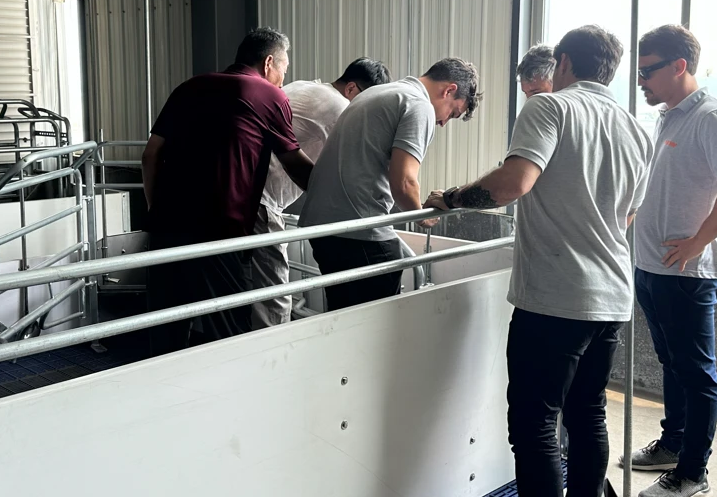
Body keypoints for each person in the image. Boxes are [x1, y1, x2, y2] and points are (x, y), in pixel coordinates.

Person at [424, 26, 652, 497]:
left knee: (535, 429)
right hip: (611, 297)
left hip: (555, 299)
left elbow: (513, 184)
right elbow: (627, 214)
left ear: (565, 63)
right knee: (588, 420)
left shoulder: (551, 108)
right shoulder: (635, 128)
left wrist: (451, 198)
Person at [622, 24, 717, 497]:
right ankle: (673, 443)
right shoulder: (669, 117)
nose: (640, 81)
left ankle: (693, 474)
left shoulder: (710, 117)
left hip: (686, 275)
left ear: (679, 66)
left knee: (697, 374)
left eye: (648, 71)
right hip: (653, 266)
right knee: (673, 364)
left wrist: (700, 241)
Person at [140, 28, 315, 353]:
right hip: (219, 233)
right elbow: (294, 163)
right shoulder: (269, 95)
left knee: (166, 334)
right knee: (228, 336)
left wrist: (156, 210)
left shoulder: (189, 87)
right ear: (268, 63)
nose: (283, 80)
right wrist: (328, 194)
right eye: (284, 69)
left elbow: (150, 155)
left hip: (166, 228)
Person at [300, 57, 482, 311]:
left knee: (344, 318)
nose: (443, 122)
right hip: (357, 229)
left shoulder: (378, 93)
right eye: (452, 113)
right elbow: (404, 182)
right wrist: (422, 215)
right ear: (449, 90)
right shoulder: (418, 105)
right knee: (375, 323)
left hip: (323, 228)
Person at [249, 58, 393, 328]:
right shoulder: (340, 107)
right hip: (262, 201)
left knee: (247, 290)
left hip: (243, 193)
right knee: (274, 299)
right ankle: (274, 352)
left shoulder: (304, 86)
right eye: (365, 99)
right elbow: (350, 171)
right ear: (351, 88)